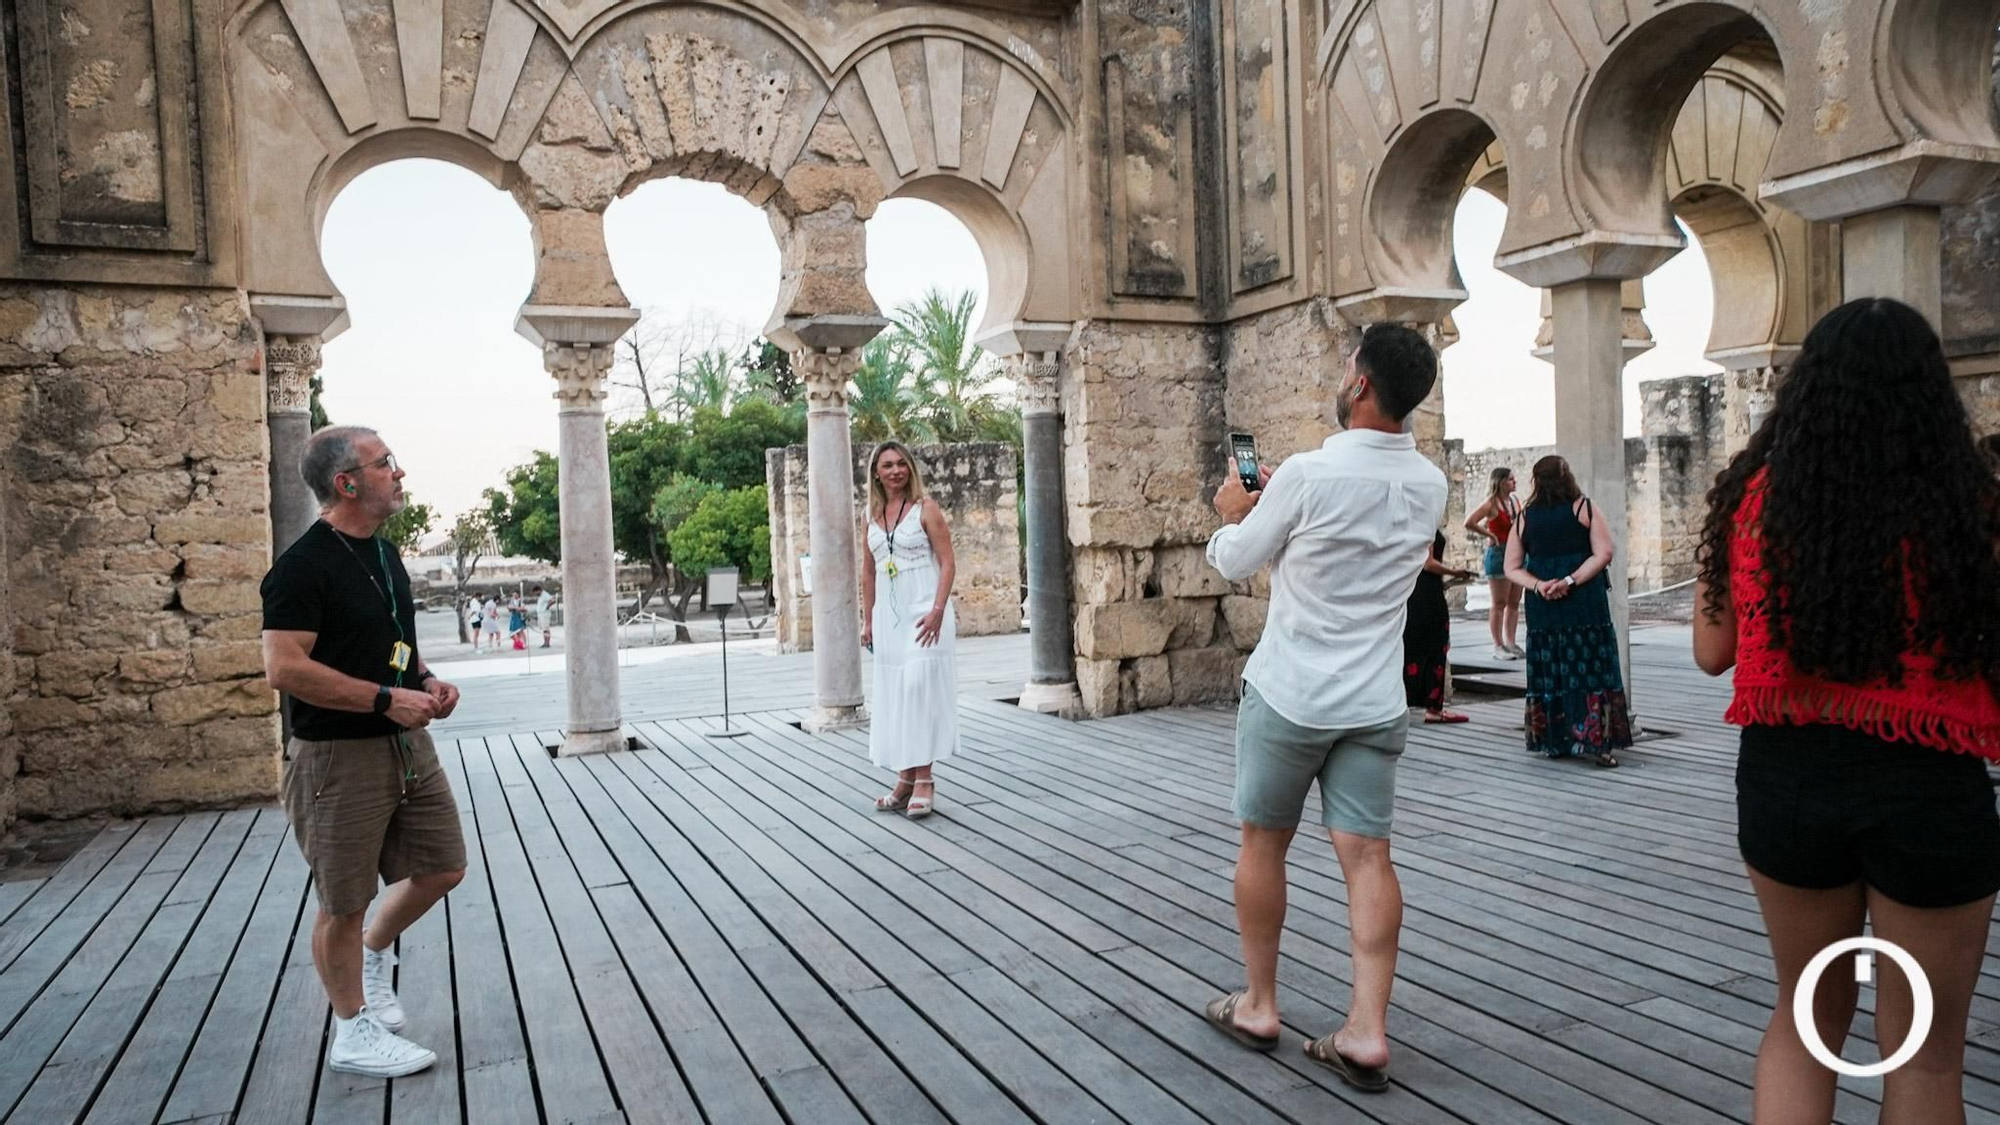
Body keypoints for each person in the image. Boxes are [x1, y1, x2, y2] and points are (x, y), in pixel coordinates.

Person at [1692, 298, 2000, 1125]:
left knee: (1804, 1018)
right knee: (1926, 1057)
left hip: (1790, 780)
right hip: (1931, 785)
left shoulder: (1753, 503)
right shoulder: (1973, 509)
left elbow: (1713, 652)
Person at [1200, 323, 1447, 1093]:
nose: (1344, 377)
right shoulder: (1430, 484)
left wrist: (1233, 508)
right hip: (1375, 700)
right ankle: (1367, 1031)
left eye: (1348, 367)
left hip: (1292, 695)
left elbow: (1236, 560)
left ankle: (1261, 1004)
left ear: (1363, 384)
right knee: (1369, 856)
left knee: (1263, 844)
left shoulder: (1306, 474)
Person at [259, 426, 466, 1078]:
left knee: (443, 865)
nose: (398, 472)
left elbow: (393, 638)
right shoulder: (300, 568)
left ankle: (375, 954)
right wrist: (384, 699)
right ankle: (352, 1030)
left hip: (403, 739)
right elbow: (283, 667)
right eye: (384, 464)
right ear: (347, 483)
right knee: (342, 901)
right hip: (335, 758)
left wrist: (422, 680)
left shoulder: (382, 554)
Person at [1503, 455, 1631, 767]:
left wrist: (1539, 586)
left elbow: (1511, 567)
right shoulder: (1584, 508)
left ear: (1535, 481)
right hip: (1584, 600)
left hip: (1543, 604)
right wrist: (1571, 580)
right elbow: (1604, 553)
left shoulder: (1524, 518)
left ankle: (1554, 739)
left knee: (1551, 666)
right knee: (1591, 665)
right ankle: (1597, 742)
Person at [861, 441, 960, 820]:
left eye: (902, 464)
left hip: (924, 613)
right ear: (876, 472)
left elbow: (948, 563)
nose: (896, 471)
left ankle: (924, 779)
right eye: (887, 465)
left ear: (910, 469)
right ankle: (904, 779)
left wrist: (937, 611)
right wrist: (868, 619)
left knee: (920, 688)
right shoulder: (870, 516)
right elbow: (869, 571)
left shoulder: (926, 510)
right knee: (898, 694)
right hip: (889, 617)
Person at [1404, 530, 1475, 723]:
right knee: (1436, 645)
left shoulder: (1406, 522)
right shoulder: (1425, 523)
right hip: (1428, 592)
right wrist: (1455, 571)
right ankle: (1433, 708)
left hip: (1412, 589)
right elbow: (1428, 563)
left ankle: (1406, 701)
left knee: (1411, 645)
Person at [1464, 467, 1523, 660]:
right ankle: (1498, 645)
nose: (1514, 482)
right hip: (1499, 553)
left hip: (1517, 552)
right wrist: (1489, 534)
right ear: (1500, 482)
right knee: (1499, 602)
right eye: (1510, 480)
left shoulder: (1515, 501)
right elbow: (1470, 522)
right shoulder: (1491, 504)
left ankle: (1511, 642)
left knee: (1514, 602)